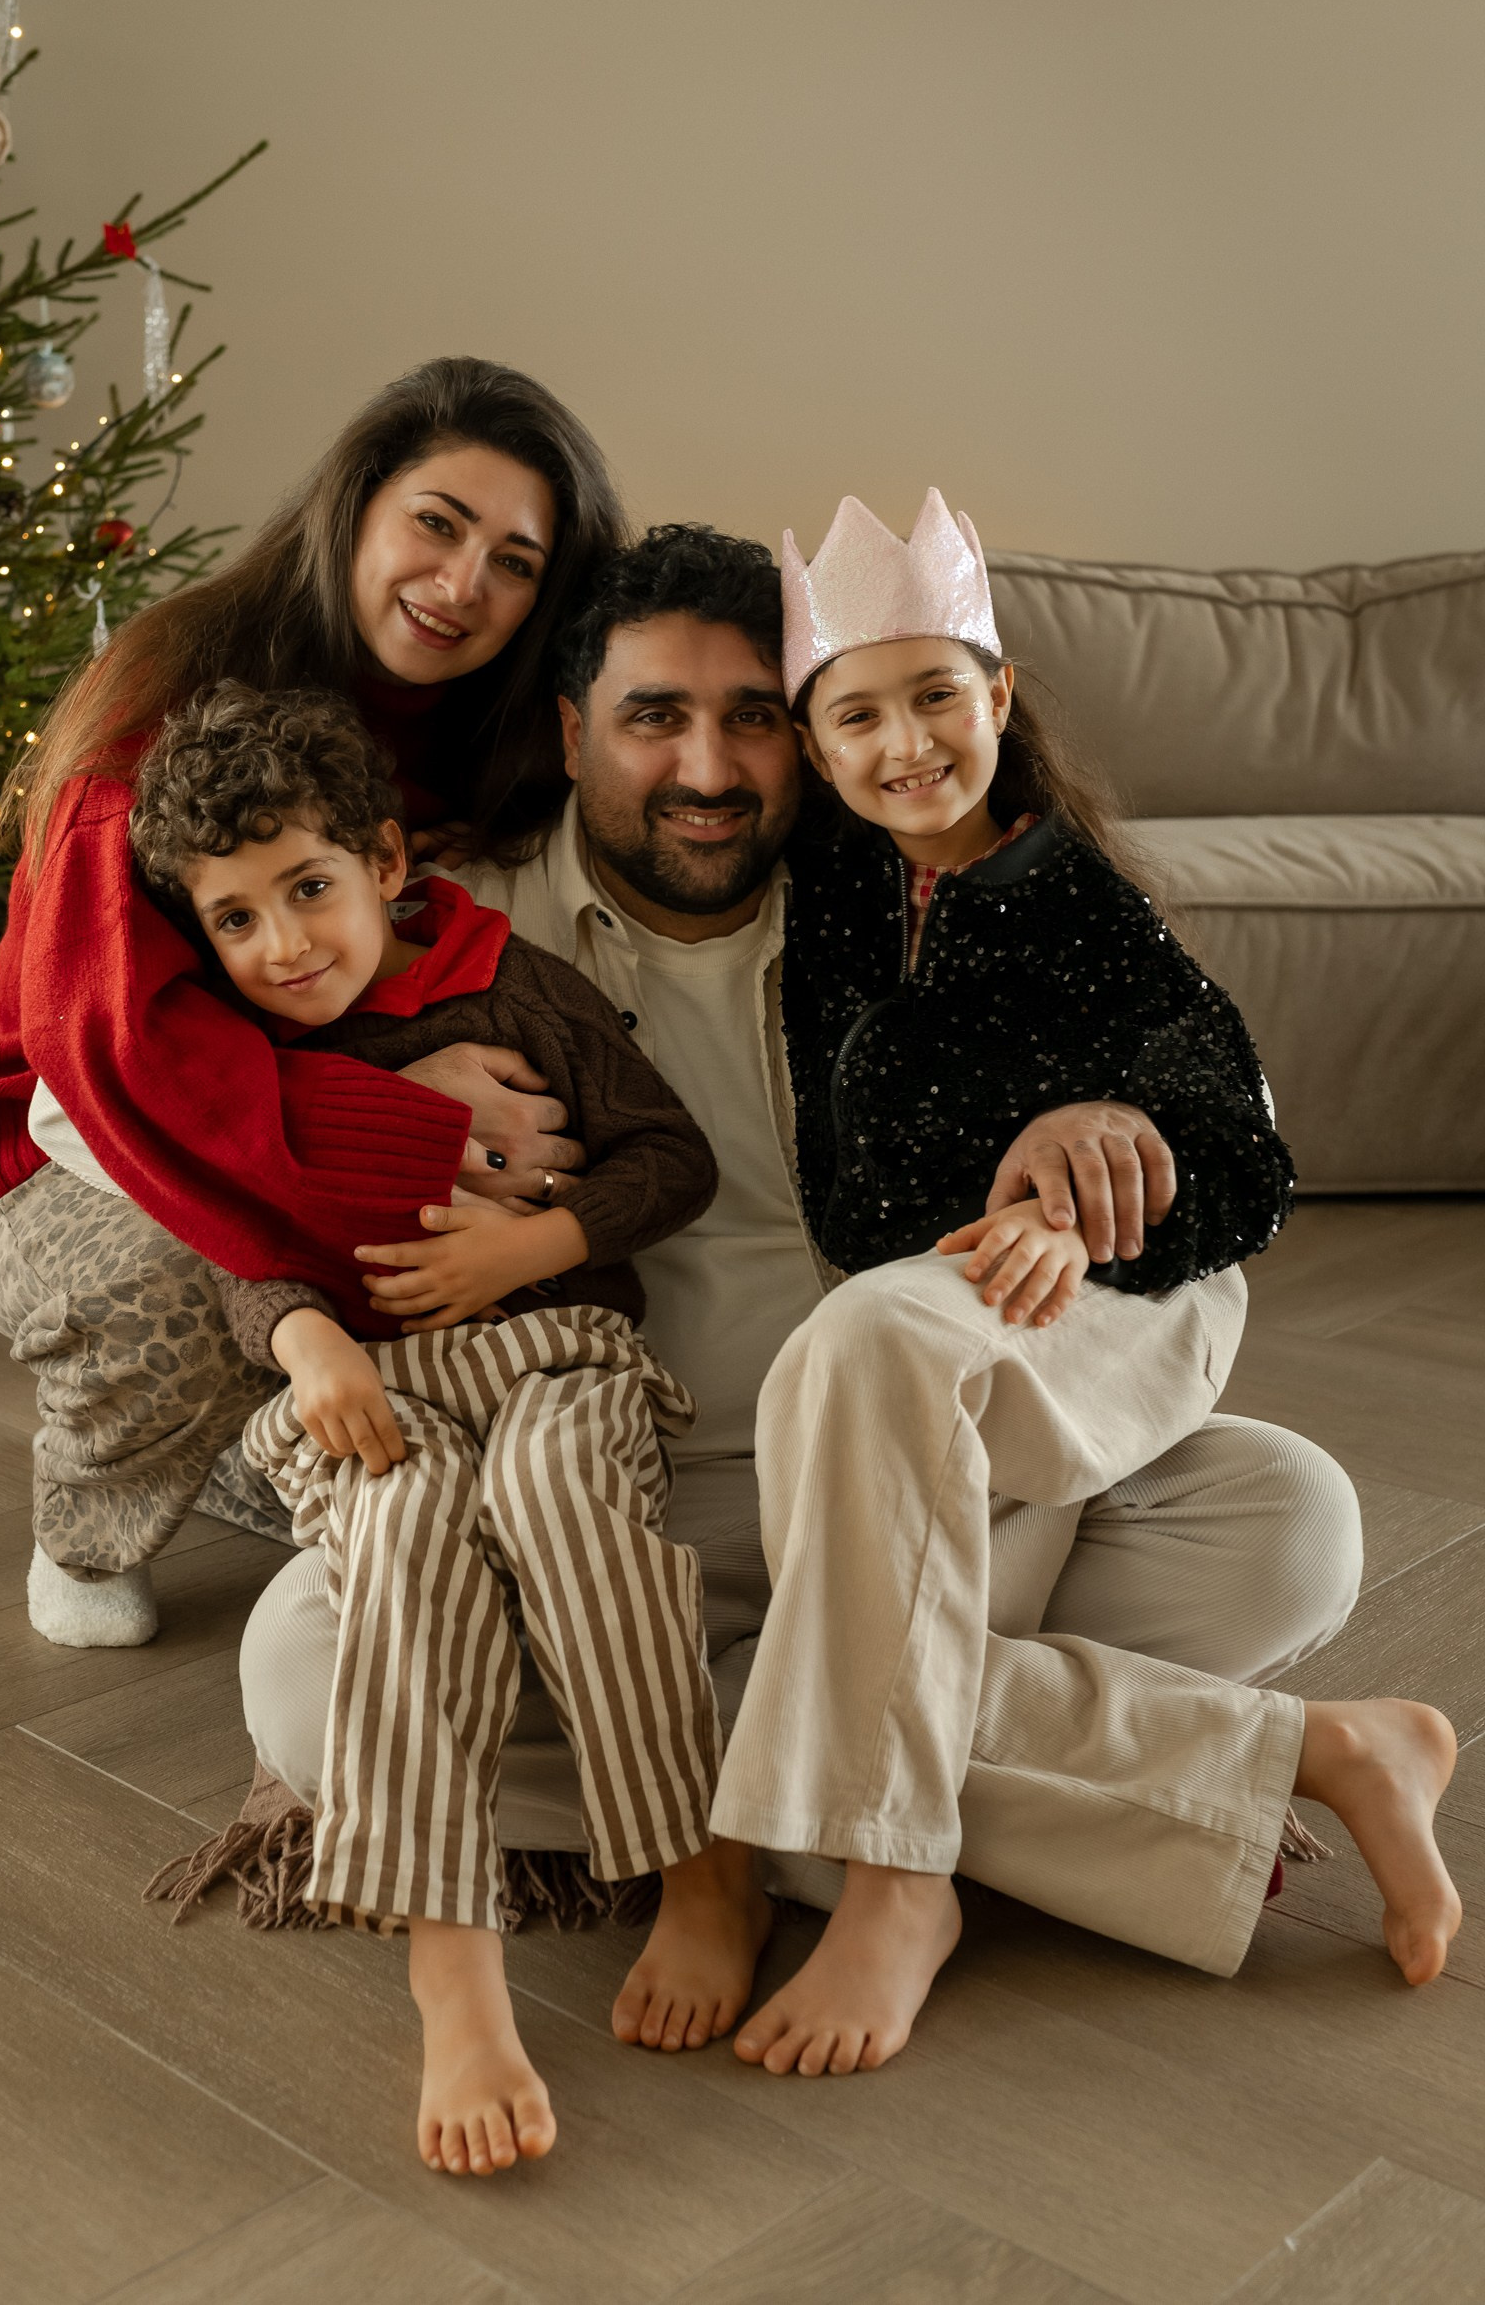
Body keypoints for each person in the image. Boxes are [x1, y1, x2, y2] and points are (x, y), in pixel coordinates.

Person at [238, 521, 1411, 2059]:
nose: (710, 770)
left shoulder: (901, 888)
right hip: (605, 1501)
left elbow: (1174, 1087)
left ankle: (758, 1786)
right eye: (658, 719)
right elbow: (128, 1095)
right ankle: (1179, 1765)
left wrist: (1109, 1126)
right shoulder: (435, 931)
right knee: (302, 1680)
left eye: (753, 722)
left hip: (935, 1491)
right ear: (575, 727)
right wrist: (394, 1113)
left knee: (1295, 1526)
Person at [711, 489, 1461, 2078]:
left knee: (855, 1358)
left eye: (936, 696)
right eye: (858, 713)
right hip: (951, 1318)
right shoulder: (836, 900)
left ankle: (899, 1883)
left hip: (1124, 1300)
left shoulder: (1082, 908)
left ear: (998, 699)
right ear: (814, 744)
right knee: (877, 1634)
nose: (905, 741)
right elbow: (853, 1189)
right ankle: (1328, 1753)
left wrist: (1108, 1158)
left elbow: (1249, 1161)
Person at [0, 356, 626, 1649]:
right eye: (438, 524)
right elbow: (119, 1053)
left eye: (516, 563)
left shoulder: (481, 734)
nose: (464, 585)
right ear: (355, 507)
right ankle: (83, 1526)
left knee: (476, 1223)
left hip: (286, 1102)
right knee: (186, 1286)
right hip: (47, 1136)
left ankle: (260, 1443)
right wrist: (407, 1119)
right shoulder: (168, 695)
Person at [128, 681, 743, 2178]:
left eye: (311, 891)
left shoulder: (514, 981)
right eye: (236, 919)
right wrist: (307, 1336)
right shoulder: (235, 1048)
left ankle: (703, 1868)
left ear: (389, 865)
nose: (282, 947)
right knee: (399, 1535)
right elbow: (232, 1234)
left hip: (556, 1353)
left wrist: (527, 1248)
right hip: (376, 1386)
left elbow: (675, 1158)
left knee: (562, 1502)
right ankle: (450, 1957)